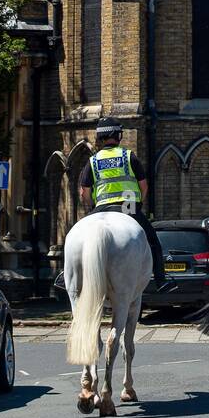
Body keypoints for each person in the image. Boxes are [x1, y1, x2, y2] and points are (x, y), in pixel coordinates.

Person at [78, 119, 175, 294]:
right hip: (127, 207)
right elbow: (143, 186)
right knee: (153, 241)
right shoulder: (128, 156)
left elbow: (84, 192)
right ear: (118, 136)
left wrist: (92, 206)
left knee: (79, 236)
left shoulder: (92, 161)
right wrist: (138, 203)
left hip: (101, 208)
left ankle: (66, 275)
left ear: (100, 137)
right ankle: (161, 279)